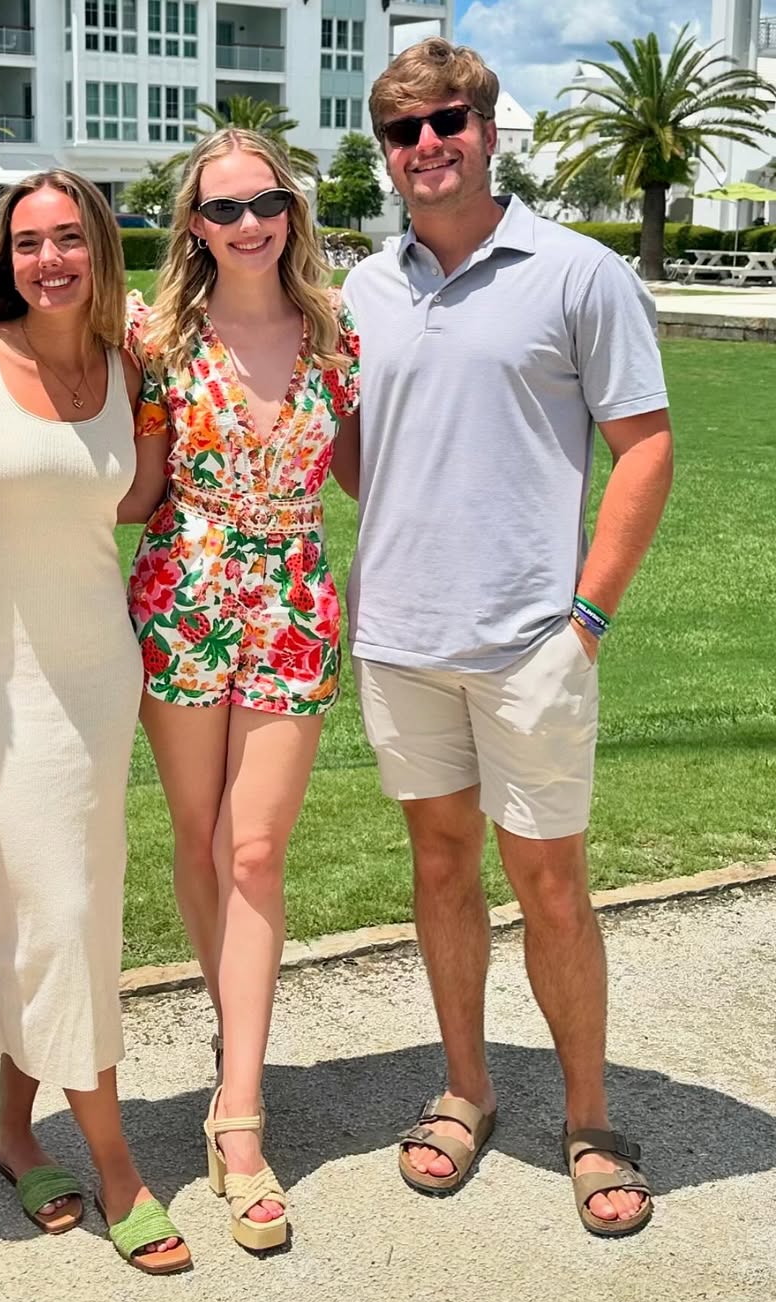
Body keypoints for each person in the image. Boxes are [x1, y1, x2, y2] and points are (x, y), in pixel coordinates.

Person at [337, 38, 673, 1238]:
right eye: (404, 130)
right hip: (399, 638)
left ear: (487, 129)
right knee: (440, 868)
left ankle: (589, 1120)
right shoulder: (362, 291)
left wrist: (588, 615)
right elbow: (357, 449)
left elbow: (646, 447)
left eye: (448, 121)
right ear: (386, 152)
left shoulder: (578, 273)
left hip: (534, 641)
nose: (427, 145)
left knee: (551, 883)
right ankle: (466, 1090)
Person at [0, 171, 189, 1275]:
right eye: (29, 242)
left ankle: (14, 1132)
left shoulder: (129, 365)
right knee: (61, 908)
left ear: (101, 248)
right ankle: (118, 1166)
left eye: (70, 238)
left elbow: (135, 499)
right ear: (7, 257)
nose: (50, 260)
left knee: (66, 906)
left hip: (100, 673)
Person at [124, 129, 359, 1252]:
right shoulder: (157, 338)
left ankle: (240, 1116)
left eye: (266, 201)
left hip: (295, 605)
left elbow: (369, 471)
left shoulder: (337, 334)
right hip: (183, 593)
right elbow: (134, 487)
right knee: (198, 834)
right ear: (195, 226)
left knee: (254, 848)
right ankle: (239, 1038)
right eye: (223, 209)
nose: (249, 223)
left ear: (291, 211)